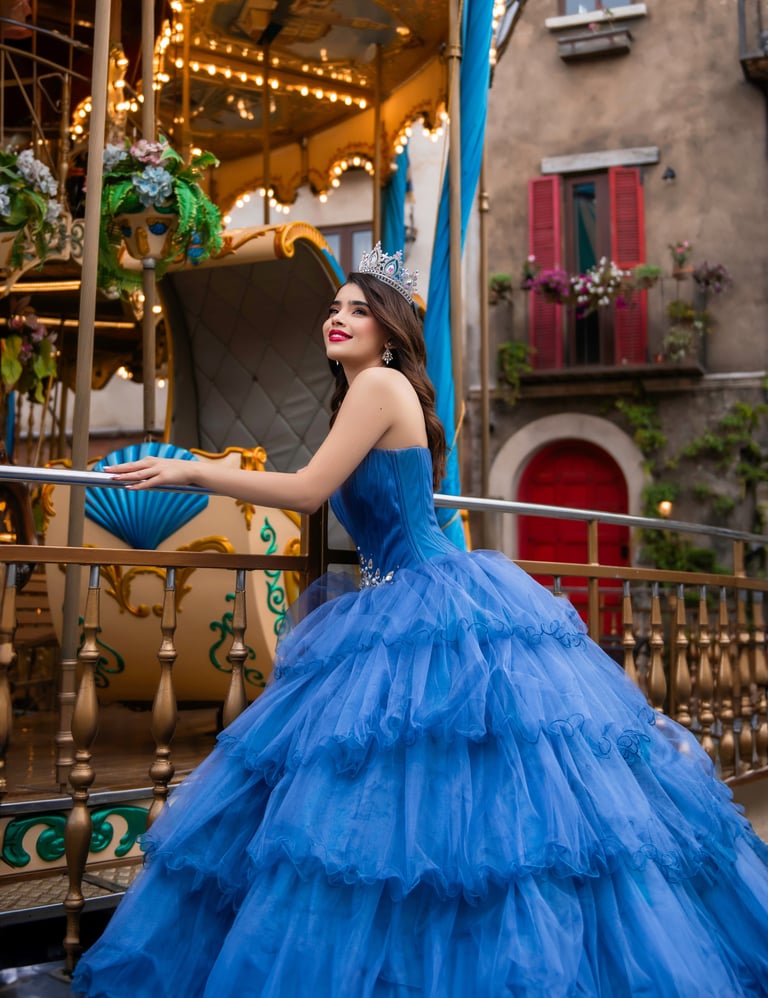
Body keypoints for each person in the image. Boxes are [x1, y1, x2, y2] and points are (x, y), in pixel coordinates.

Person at [73, 244, 768, 997]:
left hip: (424, 595)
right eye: (334, 308)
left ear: (390, 331)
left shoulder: (378, 386)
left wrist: (189, 468)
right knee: (426, 804)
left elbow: (309, 491)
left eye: (359, 309)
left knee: (435, 803)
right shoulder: (366, 393)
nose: (338, 319)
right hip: (396, 598)